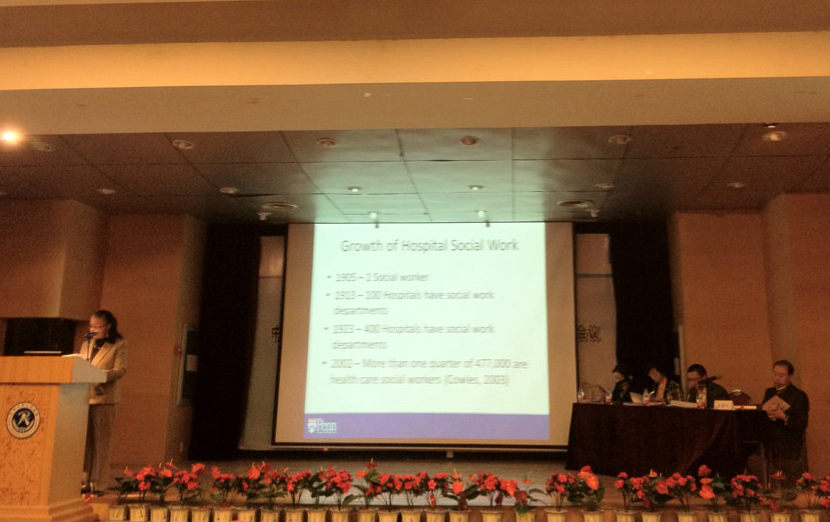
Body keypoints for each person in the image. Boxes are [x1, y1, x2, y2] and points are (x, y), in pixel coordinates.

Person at [79, 310, 127, 494]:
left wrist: (99, 376)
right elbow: (80, 366)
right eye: (91, 326)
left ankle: (99, 483)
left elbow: (120, 370)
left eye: (97, 326)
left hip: (104, 398)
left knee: (101, 443)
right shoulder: (87, 344)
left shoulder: (118, 345)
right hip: (84, 398)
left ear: (108, 327)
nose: (93, 329)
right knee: (85, 443)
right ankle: (85, 481)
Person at [762, 359, 809, 483]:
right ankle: (768, 483)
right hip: (771, 435)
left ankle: (787, 482)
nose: (777, 378)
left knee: (781, 445)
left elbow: (802, 423)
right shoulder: (769, 392)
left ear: (790, 376)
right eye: (775, 374)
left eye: (781, 375)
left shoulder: (799, 395)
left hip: (789, 436)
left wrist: (783, 416)